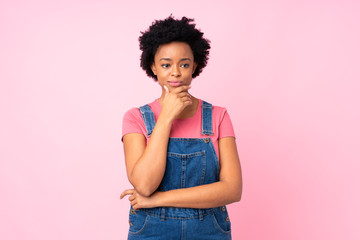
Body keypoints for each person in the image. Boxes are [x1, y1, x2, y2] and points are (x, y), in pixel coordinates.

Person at [120, 15, 242, 240]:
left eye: (184, 64)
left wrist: (158, 200)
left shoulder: (218, 116)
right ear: (153, 67)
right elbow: (145, 185)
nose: (175, 72)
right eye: (166, 65)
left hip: (209, 230)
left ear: (194, 66)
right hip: (151, 230)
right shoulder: (135, 118)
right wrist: (166, 117)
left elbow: (232, 190)